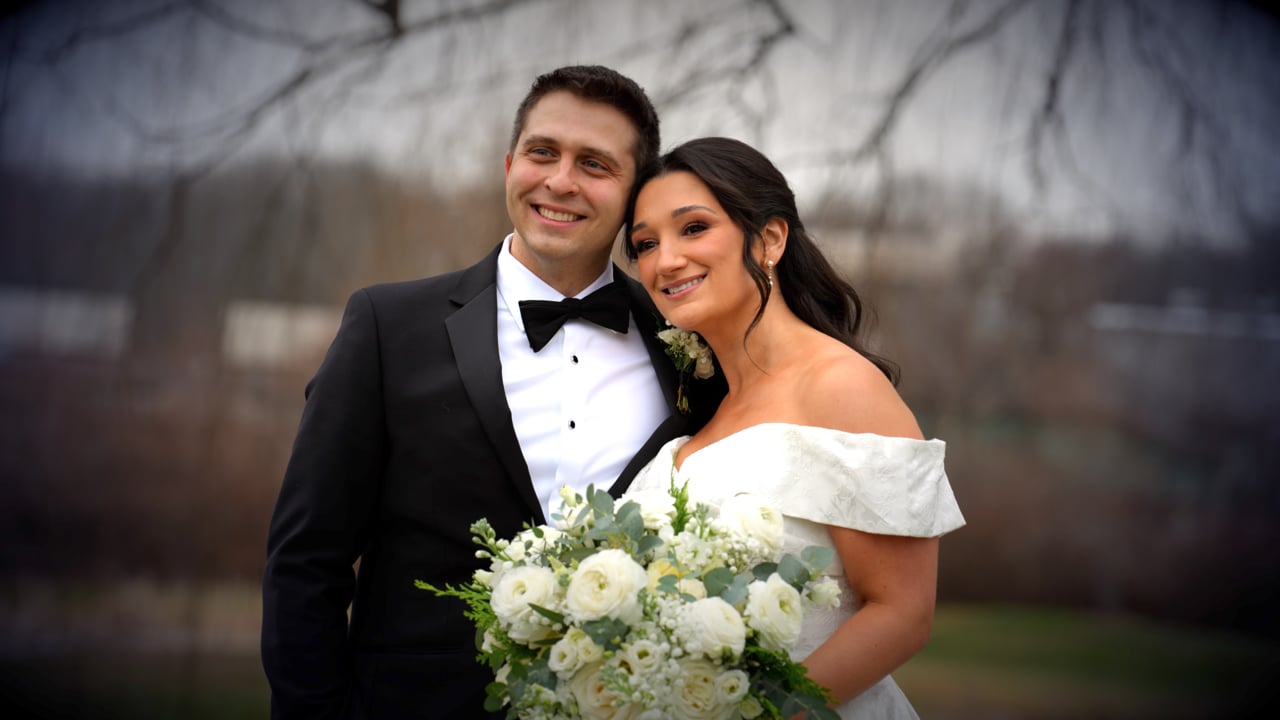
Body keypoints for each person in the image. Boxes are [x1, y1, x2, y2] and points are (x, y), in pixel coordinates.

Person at [260, 66, 724, 720]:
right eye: (543, 152)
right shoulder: (387, 327)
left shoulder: (688, 344)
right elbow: (306, 563)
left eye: (594, 164)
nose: (560, 181)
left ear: (633, 196)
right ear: (510, 165)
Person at [623, 137, 965, 719]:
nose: (665, 261)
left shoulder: (841, 387)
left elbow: (902, 615)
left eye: (694, 228)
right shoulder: (702, 413)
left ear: (770, 239)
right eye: (646, 244)